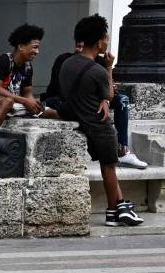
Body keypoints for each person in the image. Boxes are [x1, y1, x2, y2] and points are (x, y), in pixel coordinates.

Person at [57, 15, 143, 228]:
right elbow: (110, 95)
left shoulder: (67, 63)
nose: (107, 42)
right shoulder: (98, 70)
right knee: (109, 167)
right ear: (98, 43)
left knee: (108, 167)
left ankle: (120, 208)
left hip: (74, 115)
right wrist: (109, 67)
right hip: (98, 124)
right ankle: (115, 210)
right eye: (106, 39)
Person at [41, 46, 146, 170]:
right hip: (68, 100)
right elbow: (60, 89)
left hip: (95, 100)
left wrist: (105, 98)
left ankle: (122, 150)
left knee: (122, 100)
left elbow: (109, 91)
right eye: (78, 46)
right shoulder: (66, 60)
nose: (80, 49)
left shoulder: (100, 62)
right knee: (50, 103)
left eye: (82, 46)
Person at [0, 24, 58, 160]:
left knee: (50, 112)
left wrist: (33, 103)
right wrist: (25, 101)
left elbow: (27, 92)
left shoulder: (27, 67)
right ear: (21, 46)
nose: (37, 51)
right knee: (7, 101)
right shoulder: (3, 61)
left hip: (13, 103)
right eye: (34, 47)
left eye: (38, 48)